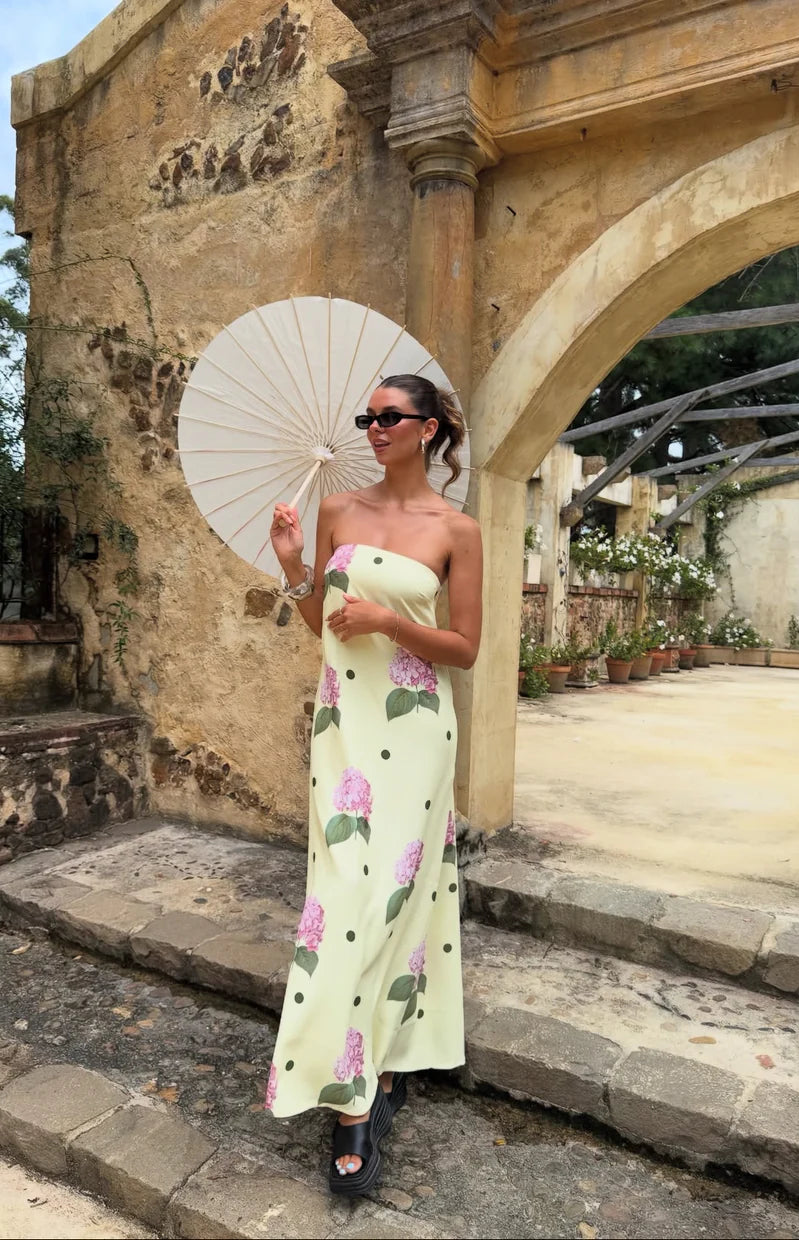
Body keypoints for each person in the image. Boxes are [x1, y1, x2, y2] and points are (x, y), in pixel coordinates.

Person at [265, 374, 483, 1196]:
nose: (374, 427)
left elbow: (465, 648)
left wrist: (390, 620)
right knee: (344, 895)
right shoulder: (336, 510)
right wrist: (295, 566)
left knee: (393, 897)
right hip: (345, 730)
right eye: (368, 417)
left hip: (416, 732)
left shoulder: (456, 529)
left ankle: (363, 1088)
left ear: (428, 429)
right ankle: (359, 1072)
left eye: (390, 416)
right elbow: (322, 624)